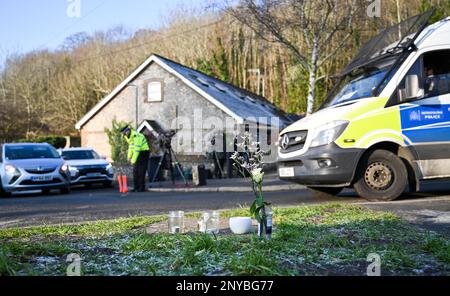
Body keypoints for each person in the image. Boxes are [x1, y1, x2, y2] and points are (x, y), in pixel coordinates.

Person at [120, 125, 150, 192]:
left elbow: (137, 149)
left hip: (143, 153)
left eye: (124, 133)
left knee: (141, 171)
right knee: (135, 171)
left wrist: (133, 160)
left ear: (128, 131)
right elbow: (131, 147)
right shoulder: (129, 137)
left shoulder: (137, 136)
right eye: (123, 134)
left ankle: (141, 188)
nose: (124, 135)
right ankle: (136, 187)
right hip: (137, 154)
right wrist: (129, 157)